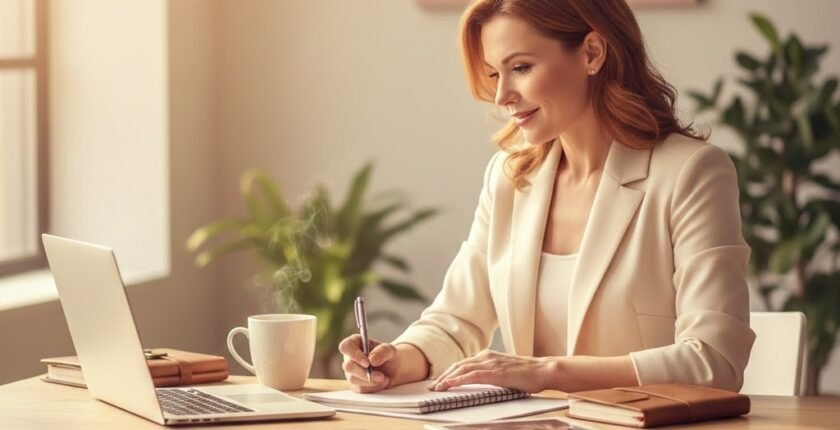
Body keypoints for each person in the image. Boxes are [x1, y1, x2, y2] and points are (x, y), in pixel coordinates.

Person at [339, 0, 755, 394]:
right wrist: (400, 360)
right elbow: (455, 321)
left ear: (592, 53)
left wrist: (546, 372)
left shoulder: (691, 173)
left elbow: (715, 361)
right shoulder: (509, 178)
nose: (502, 96)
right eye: (494, 75)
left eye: (520, 67)